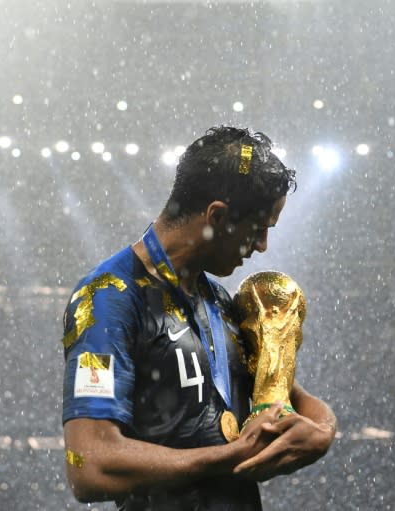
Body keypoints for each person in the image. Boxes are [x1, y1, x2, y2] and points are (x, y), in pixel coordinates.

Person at [60, 126, 337, 510]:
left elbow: (296, 400)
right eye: (257, 230)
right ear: (217, 215)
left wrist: (322, 432)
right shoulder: (109, 298)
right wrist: (229, 458)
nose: (262, 246)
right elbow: (90, 466)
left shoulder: (220, 301)